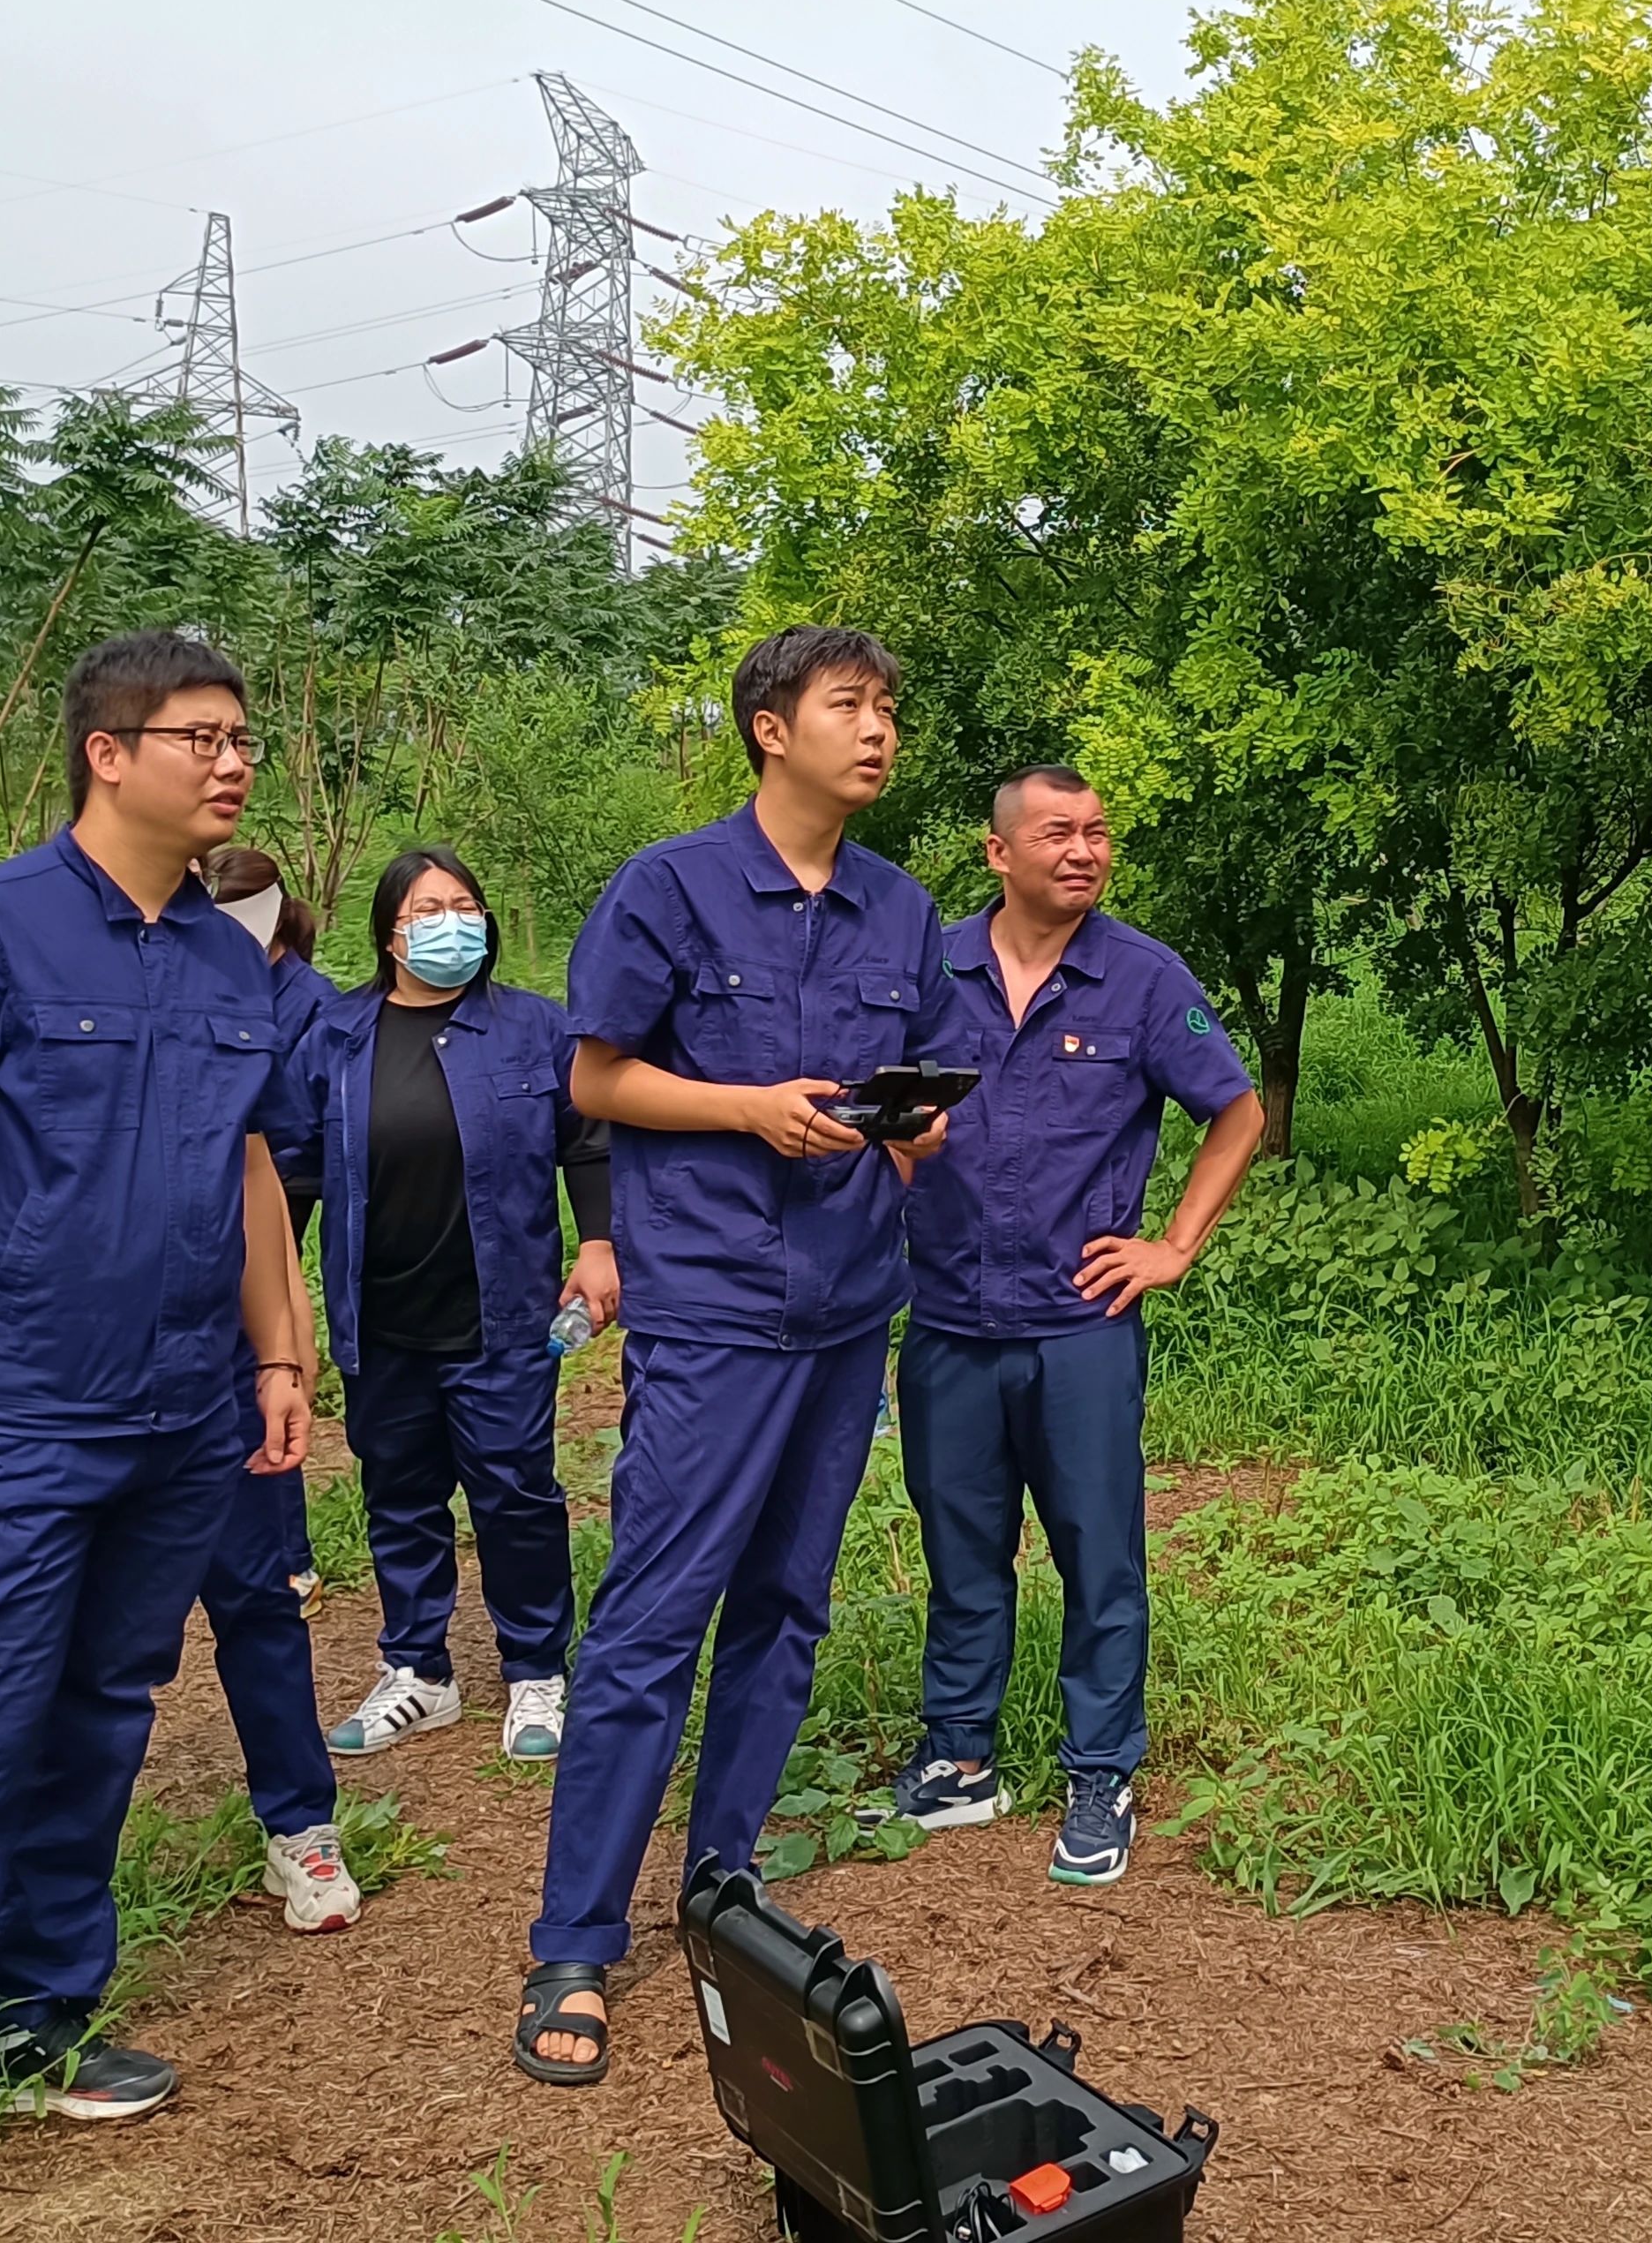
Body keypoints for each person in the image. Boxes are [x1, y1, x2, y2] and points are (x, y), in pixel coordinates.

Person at [0, 632, 316, 2243]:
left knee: (104, 1712)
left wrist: (279, 1351)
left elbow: (249, 1169)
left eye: (242, 737)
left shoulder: (234, 960)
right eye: (200, 736)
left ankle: (39, 2017)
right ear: (108, 751)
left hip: (181, 1411)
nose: (233, 762)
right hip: (20, 1409)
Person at [514, 625, 948, 2089]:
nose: (878, 729)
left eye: (888, 708)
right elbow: (596, 1075)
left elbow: (921, 1090)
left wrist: (914, 1126)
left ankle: (722, 1885)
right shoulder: (671, 886)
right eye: (849, 705)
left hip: (846, 1308)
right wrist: (747, 1106)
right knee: (655, 1613)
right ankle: (575, 1939)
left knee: (785, 1606)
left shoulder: (901, 908)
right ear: (771, 727)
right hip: (710, 1305)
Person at [882, 766, 1265, 1885]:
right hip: (949, 1318)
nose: (1084, 851)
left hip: (1079, 1324)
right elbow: (880, 1113)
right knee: (961, 1547)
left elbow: (1237, 1110)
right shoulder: (929, 972)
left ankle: (1100, 1770)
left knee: (1099, 1553)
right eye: (1058, 833)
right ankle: (961, 1756)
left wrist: (1174, 1246)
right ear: (999, 853)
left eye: (1097, 832)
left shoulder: (1141, 978)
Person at [292, 845, 618, 1768]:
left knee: (516, 1494)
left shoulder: (533, 1030)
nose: (452, 924)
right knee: (399, 1495)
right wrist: (272, 1304)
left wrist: (600, 1245)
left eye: (466, 906)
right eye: (430, 910)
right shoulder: (335, 1037)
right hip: (380, 1317)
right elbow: (291, 1172)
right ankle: (418, 1669)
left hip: (500, 1315)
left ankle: (536, 1669)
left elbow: (589, 1143)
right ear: (390, 933)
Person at [193, 843, 359, 1934]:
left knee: (259, 1598)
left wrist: (285, 1357)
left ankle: (300, 1824)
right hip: (82, 1369)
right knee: (78, 1637)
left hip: (225, 1353)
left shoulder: (252, 1000)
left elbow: (266, 1184)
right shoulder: (8, 944)